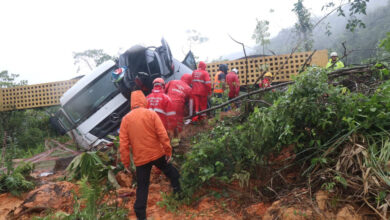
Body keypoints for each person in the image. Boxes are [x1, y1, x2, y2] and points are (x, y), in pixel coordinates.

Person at [120, 90, 180, 220]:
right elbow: (162, 134)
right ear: (143, 100)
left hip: (141, 160)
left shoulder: (126, 120)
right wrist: (168, 151)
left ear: (132, 103)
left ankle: (140, 213)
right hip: (157, 154)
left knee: (142, 186)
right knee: (171, 171)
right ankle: (178, 192)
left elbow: (123, 145)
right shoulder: (151, 114)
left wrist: (126, 163)